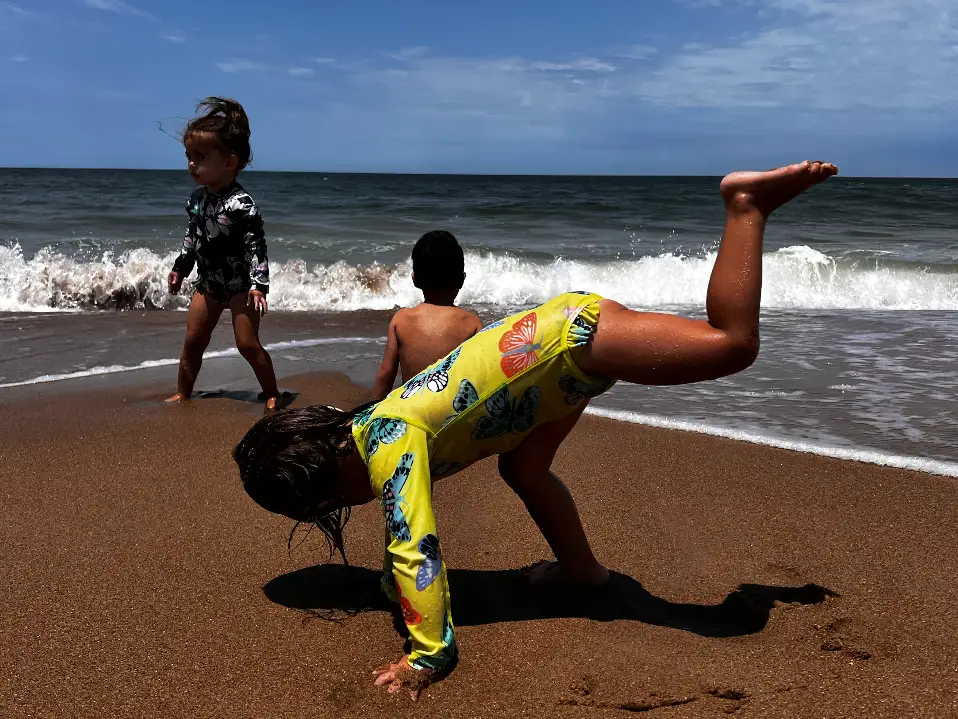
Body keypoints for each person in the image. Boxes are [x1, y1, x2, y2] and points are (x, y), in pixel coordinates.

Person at [233, 161, 839, 699]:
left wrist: (427, 653)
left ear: (327, 494)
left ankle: (745, 206)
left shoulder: (388, 445)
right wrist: (391, 582)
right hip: (551, 376)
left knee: (731, 346)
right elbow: (403, 534)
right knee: (522, 467)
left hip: (565, 341)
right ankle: (582, 574)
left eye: (322, 509)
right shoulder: (372, 429)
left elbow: (413, 542)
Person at [166, 97, 281, 411]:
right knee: (193, 341)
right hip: (208, 283)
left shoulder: (242, 204)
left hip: (241, 285)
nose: (192, 164)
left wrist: (260, 286)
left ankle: (272, 393)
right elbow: (192, 238)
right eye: (189, 156)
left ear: (229, 162)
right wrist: (180, 267)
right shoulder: (196, 200)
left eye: (200, 157)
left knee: (246, 343)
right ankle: (183, 393)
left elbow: (257, 246)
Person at [371, 231, 483, 400]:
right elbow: (479, 376)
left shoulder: (401, 320)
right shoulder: (471, 324)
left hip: (411, 413)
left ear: (414, 279)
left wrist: (369, 415)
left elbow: (386, 374)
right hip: (451, 417)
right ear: (462, 279)